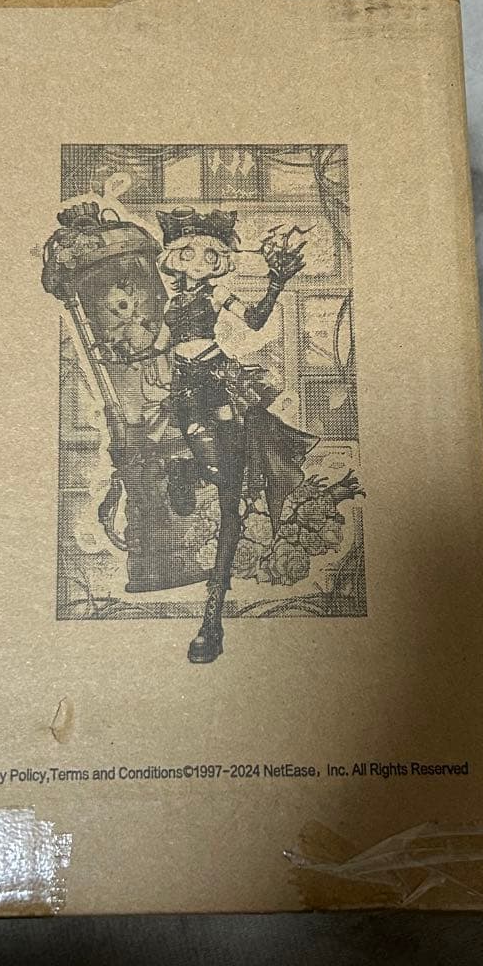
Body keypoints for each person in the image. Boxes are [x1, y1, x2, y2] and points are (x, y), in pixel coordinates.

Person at [125, 206, 318, 663]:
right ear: (175, 257)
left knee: (227, 484)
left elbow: (254, 320)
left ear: (218, 261)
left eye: (209, 254)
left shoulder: (216, 294)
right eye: (189, 253)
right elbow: (159, 346)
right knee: (199, 455)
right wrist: (125, 350)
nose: (199, 261)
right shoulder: (171, 304)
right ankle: (194, 473)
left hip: (217, 382)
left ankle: (211, 618)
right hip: (182, 391)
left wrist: (276, 284)